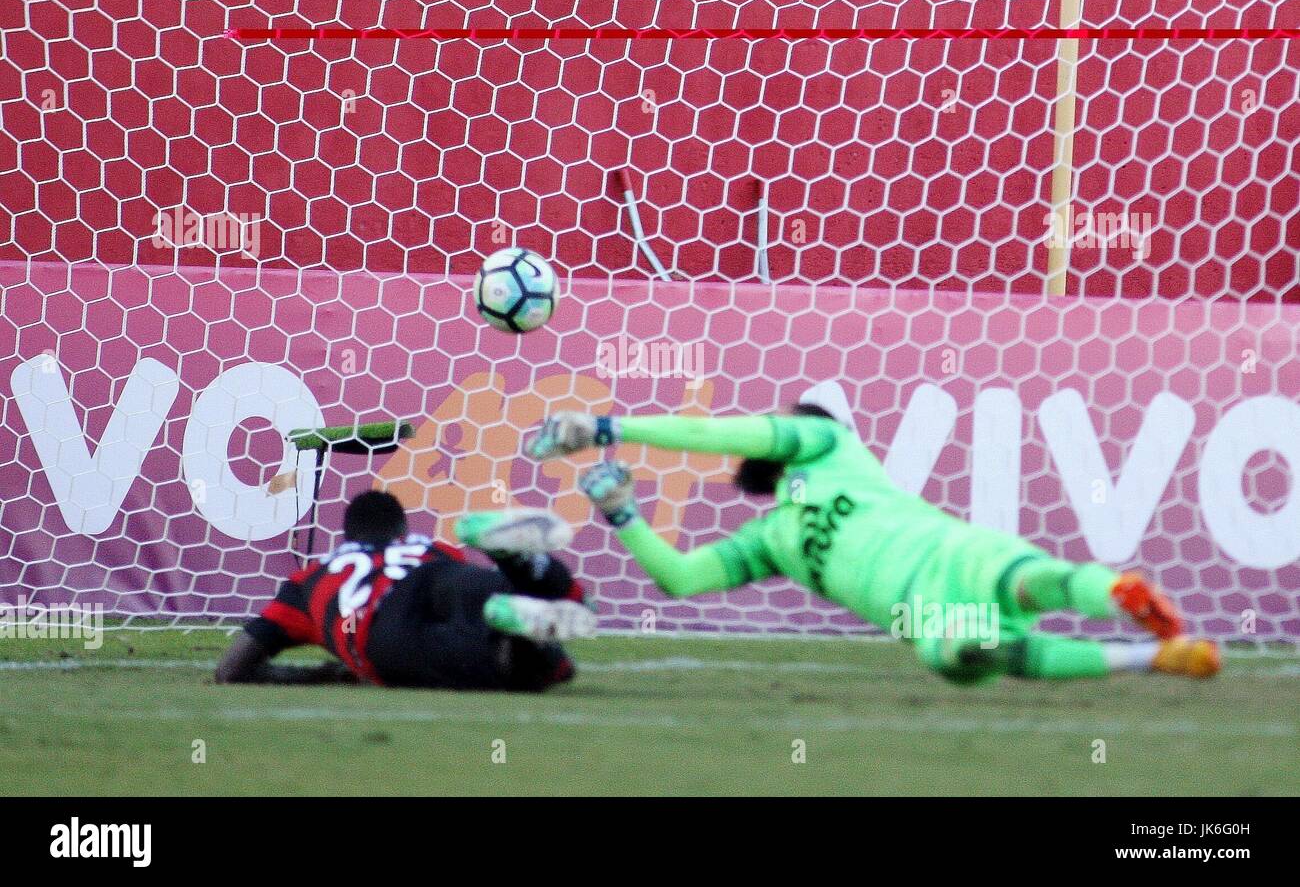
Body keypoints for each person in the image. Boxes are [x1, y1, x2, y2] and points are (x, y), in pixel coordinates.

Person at [525, 382, 1220, 684]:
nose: (768, 425)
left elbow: (712, 432)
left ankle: (1123, 603)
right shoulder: (768, 540)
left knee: (1004, 614)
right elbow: (678, 581)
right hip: (935, 588)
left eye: (777, 420)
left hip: (937, 568)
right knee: (999, 623)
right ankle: (1151, 652)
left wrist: (613, 428)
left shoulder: (828, 441)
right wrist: (624, 515)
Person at [215, 491, 595, 691]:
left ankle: (532, 643)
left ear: (348, 539)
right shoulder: (428, 546)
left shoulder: (310, 580)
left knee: (523, 672)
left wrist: (324, 675)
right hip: (438, 573)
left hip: (380, 629)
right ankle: (518, 563)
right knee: (550, 607)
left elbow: (232, 669)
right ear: (401, 530)